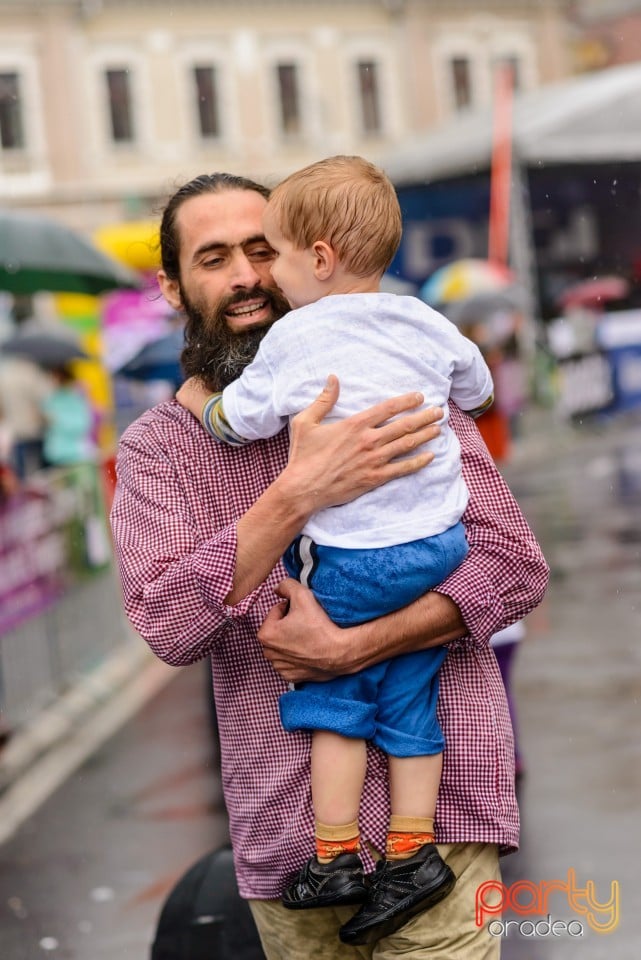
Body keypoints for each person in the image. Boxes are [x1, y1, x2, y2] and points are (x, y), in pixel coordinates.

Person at [109, 171, 549, 960]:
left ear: (304, 258)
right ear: (174, 287)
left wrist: (353, 649)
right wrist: (294, 495)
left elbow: (513, 565)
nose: (246, 275)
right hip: (289, 840)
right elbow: (168, 623)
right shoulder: (160, 449)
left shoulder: (394, 379)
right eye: (215, 259)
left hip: (441, 831)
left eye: (258, 248)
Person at [41, 365, 95, 467]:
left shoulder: (71, 397)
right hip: (68, 452)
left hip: (70, 453)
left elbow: (81, 424)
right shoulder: (53, 398)